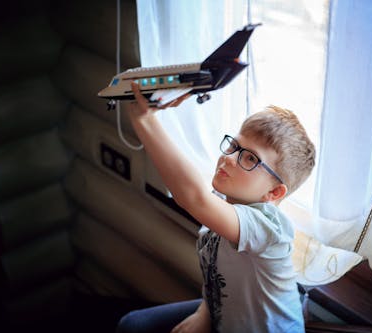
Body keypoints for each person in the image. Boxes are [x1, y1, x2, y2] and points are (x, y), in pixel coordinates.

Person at [116, 82, 316, 333]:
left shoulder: (267, 228)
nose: (229, 158)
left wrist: (144, 120)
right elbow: (219, 275)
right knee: (132, 325)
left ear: (274, 192)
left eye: (250, 158)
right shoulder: (223, 204)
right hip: (222, 317)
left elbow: (193, 197)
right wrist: (205, 313)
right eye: (235, 146)